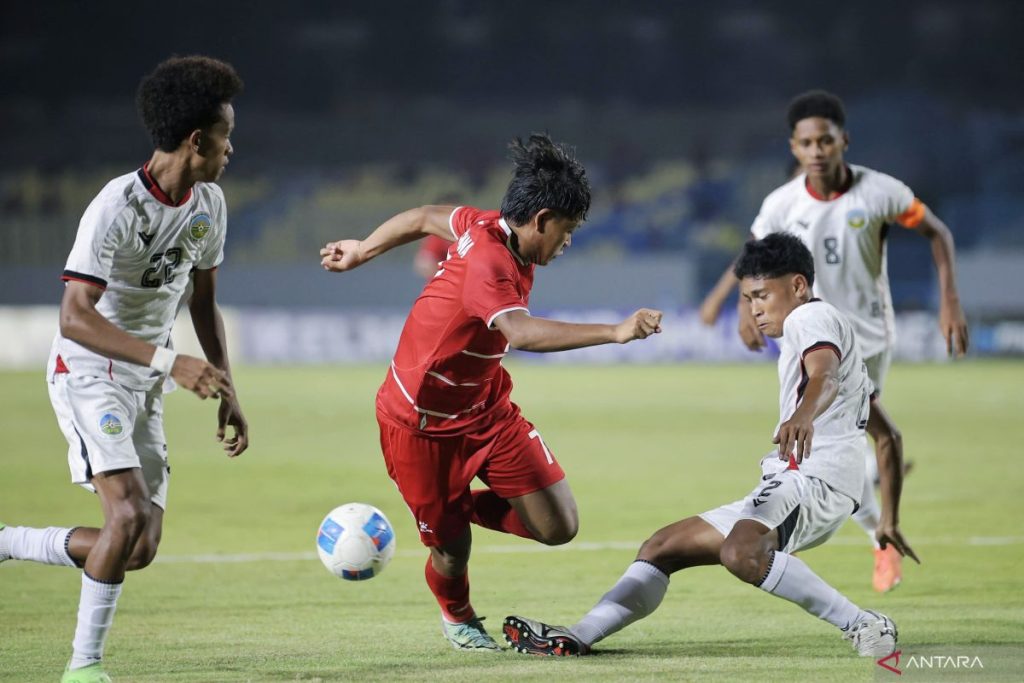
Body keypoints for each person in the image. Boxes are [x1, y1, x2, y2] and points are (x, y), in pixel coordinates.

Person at [320, 133, 663, 652]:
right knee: (451, 551)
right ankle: (458, 616)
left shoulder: (483, 224)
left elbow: (424, 216)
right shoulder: (489, 262)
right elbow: (520, 333)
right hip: (420, 423)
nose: (568, 242)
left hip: (485, 408)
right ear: (542, 219)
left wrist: (363, 249)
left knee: (559, 525)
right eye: (567, 230)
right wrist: (615, 331)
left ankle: (449, 510)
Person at [504, 233, 919, 658]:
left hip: (814, 479)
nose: (755, 309)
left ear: (798, 286)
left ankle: (863, 623)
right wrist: (888, 519)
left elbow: (823, 377)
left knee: (742, 553)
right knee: (662, 548)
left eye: (762, 295)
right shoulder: (831, 332)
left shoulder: (809, 318)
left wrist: (803, 415)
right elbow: (889, 436)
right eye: (748, 299)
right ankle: (579, 635)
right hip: (807, 482)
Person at [0, 56, 248, 683]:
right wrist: (171, 360)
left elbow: (203, 303)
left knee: (138, 548)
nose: (231, 149)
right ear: (197, 140)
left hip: (146, 380)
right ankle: (83, 668)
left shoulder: (209, 204)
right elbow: (74, 317)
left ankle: (8, 542)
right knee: (127, 516)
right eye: (226, 136)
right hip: (89, 370)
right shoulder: (115, 206)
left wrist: (227, 387)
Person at [698, 90, 967, 592]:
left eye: (825, 140)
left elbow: (938, 233)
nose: (816, 151)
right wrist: (735, 304)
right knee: (842, 442)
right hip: (803, 332)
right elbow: (753, 256)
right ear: (794, 148)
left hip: (865, 338)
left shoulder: (880, 192)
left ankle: (873, 534)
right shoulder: (782, 203)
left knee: (841, 438)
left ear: (844, 140)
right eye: (806, 143)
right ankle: (866, 516)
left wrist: (949, 300)